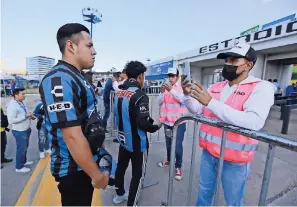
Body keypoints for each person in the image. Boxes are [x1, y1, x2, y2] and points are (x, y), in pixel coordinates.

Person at [181, 42, 275, 206]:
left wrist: (210, 102)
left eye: (233, 61)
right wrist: (187, 95)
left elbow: (254, 121)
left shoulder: (261, 88)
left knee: (233, 201)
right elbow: (197, 110)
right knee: (204, 194)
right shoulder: (216, 86)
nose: (228, 64)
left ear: (248, 65)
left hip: (235, 160)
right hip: (209, 154)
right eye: (226, 60)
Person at [39, 23, 109, 206]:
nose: (94, 51)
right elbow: (71, 135)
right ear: (71, 46)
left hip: (83, 164)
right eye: (89, 45)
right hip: (73, 170)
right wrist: (97, 175)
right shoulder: (59, 79)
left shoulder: (76, 76)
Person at [113, 61, 162, 206]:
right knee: (137, 175)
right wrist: (154, 127)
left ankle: (119, 194)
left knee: (121, 168)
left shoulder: (119, 92)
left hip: (123, 139)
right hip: (137, 143)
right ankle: (132, 204)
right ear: (140, 76)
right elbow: (142, 123)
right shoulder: (140, 95)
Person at [157, 67, 188, 180]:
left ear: (177, 76)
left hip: (179, 123)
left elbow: (183, 100)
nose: (170, 78)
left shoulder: (182, 87)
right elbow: (159, 102)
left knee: (178, 146)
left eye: (173, 76)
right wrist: (161, 93)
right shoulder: (166, 88)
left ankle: (178, 167)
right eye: (169, 76)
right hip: (167, 122)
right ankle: (169, 161)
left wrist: (171, 90)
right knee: (169, 144)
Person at [7, 88, 34, 173]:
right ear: (16, 95)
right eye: (22, 94)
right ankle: (19, 167)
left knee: (25, 147)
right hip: (20, 131)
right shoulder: (12, 105)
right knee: (21, 149)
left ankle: (24, 161)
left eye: (24, 94)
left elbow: (24, 113)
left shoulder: (21, 102)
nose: (24, 95)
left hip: (26, 129)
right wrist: (25, 116)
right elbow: (11, 121)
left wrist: (30, 116)